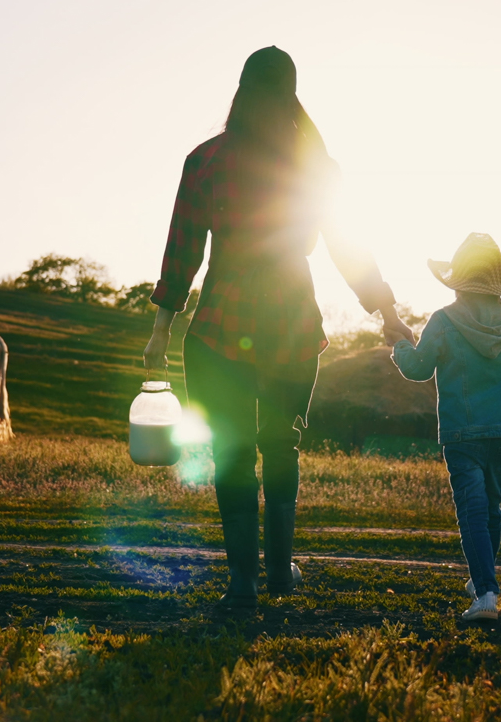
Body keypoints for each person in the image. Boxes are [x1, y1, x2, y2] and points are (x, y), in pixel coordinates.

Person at [143, 46, 416, 609]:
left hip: (220, 326)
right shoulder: (316, 167)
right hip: (292, 325)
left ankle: (243, 580)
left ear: (241, 91)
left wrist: (161, 328)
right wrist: (386, 311)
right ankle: (280, 575)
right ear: (293, 94)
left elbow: (181, 251)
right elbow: (349, 249)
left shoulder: (206, 160)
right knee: (282, 447)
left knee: (232, 451)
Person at [385, 233, 501, 621]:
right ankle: (483, 580)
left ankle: (486, 596)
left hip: (463, 431)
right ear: (498, 284)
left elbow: (418, 368)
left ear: (458, 279)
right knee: (490, 507)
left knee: (472, 511)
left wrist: (399, 345)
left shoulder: (444, 320)